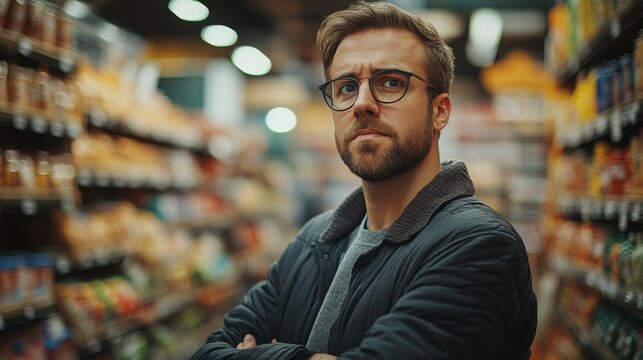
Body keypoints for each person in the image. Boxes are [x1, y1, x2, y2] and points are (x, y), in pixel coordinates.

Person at [192, 1, 537, 359]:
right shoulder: (313, 242)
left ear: (439, 111)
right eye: (345, 87)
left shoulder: (477, 245)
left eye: (390, 83)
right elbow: (207, 354)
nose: (361, 103)